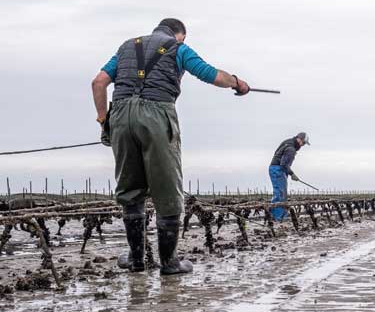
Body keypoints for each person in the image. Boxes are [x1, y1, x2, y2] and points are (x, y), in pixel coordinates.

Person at [91, 18, 250, 275]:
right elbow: (211, 74)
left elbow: (98, 82)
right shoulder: (179, 49)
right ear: (180, 35)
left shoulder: (126, 46)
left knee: (130, 189)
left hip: (119, 115)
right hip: (157, 113)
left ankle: (136, 259)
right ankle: (169, 263)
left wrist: (103, 121)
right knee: (167, 187)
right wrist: (237, 82)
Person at [269, 132, 310, 221]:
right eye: (303, 142)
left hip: (277, 168)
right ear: (299, 138)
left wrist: (287, 172)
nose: (302, 145)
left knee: (282, 193)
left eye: (304, 144)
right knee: (280, 193)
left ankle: (279, 214)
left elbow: (276, 153)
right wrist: (292, 174)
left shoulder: (287, 142)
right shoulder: (291, 148)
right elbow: (283, 164)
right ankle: (278, 217)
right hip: (278, 169)